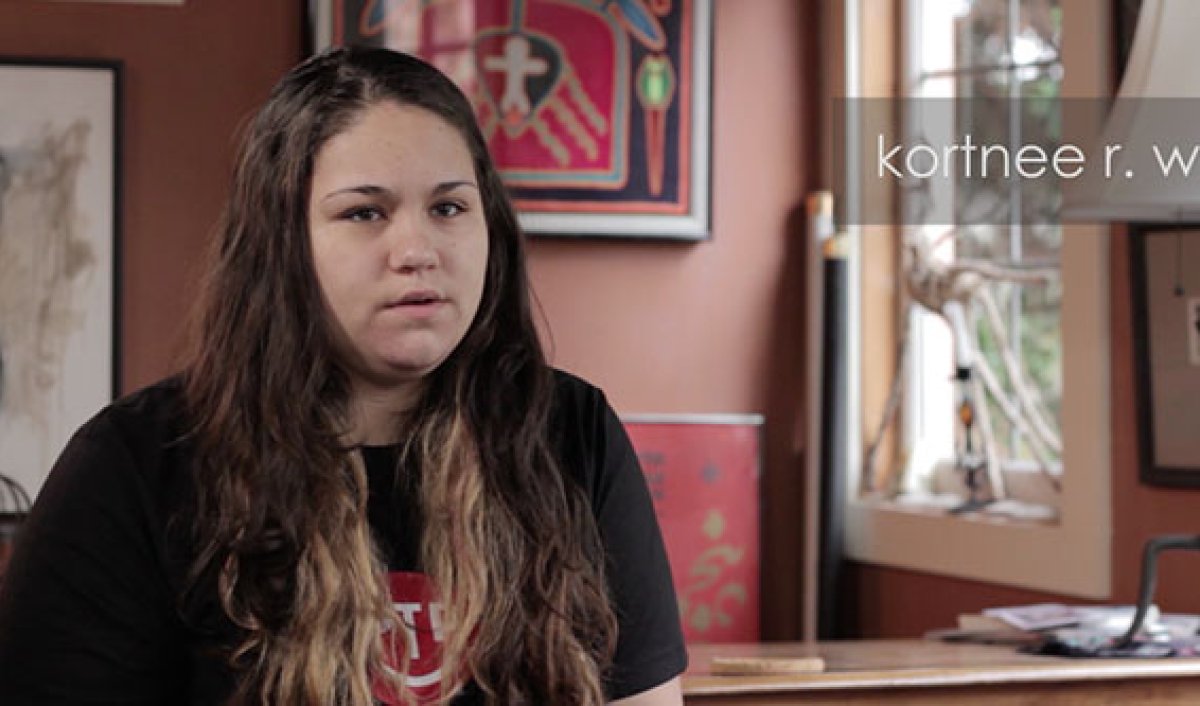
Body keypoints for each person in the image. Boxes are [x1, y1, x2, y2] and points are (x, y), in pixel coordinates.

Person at [0, 47, 687, 705]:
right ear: (282, 244)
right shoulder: (134, 466)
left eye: (448, 207)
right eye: (364, 213)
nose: (417, 250)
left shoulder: (574, 435)